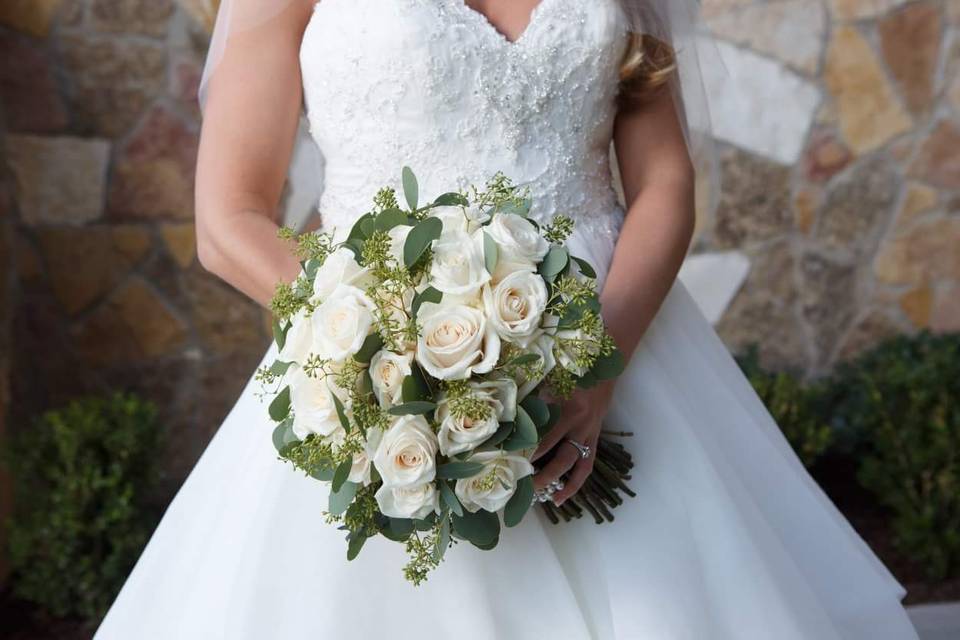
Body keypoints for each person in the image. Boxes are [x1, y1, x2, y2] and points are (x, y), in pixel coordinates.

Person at [95, 1, 919, 638]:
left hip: (616, 345)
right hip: (377, 371)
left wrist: (598, 364)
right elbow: (226, 222)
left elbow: (664, 183)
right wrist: (384, 346)